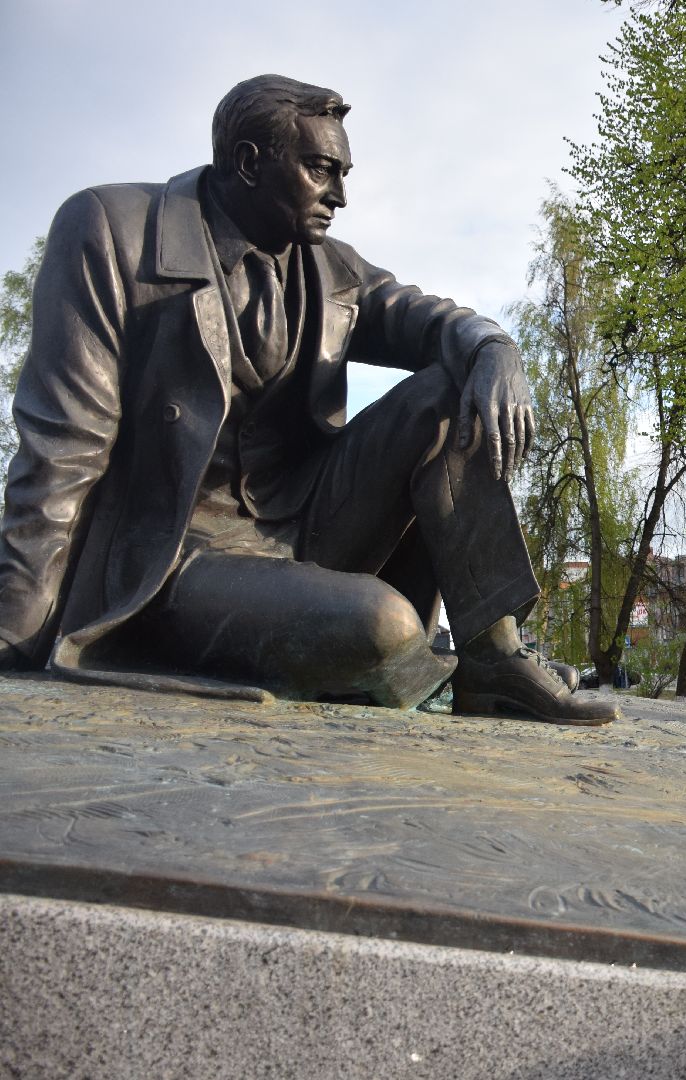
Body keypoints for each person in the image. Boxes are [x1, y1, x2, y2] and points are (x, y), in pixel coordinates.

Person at [0, 75, 615, 725]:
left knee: (447, 387)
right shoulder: (113, 231)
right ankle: (412, 665)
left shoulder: (335, 270)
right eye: (322, 169)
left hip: (309, 533)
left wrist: (496, 349)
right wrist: (18, 628)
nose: (341, 196)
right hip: (178, 563)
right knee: (385, 626)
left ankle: (492, 661)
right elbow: (65, 443)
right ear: (248, 161)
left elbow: (436, 322)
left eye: (343, 173)